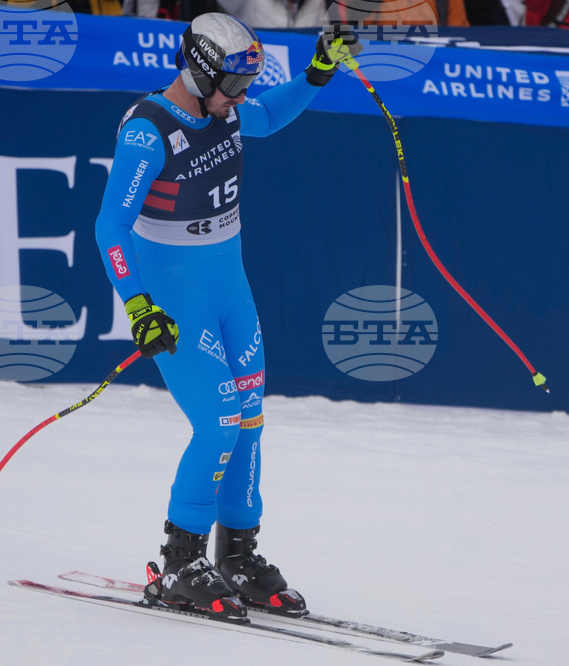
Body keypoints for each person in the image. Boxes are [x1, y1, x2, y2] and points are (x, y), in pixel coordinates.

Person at [94, 13, 362, 620]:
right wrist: (138, 306)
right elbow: (109, 225)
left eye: (244, 87)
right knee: (217, 424)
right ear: (196, 70)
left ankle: (237, 558)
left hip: (229, 286)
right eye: (231, 88)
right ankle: (177, 565)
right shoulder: (149, 130)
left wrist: (319, 71)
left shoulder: (230, 108)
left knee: (251, 420)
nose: (239, 101)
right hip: (176, 296)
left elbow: (268, 116)